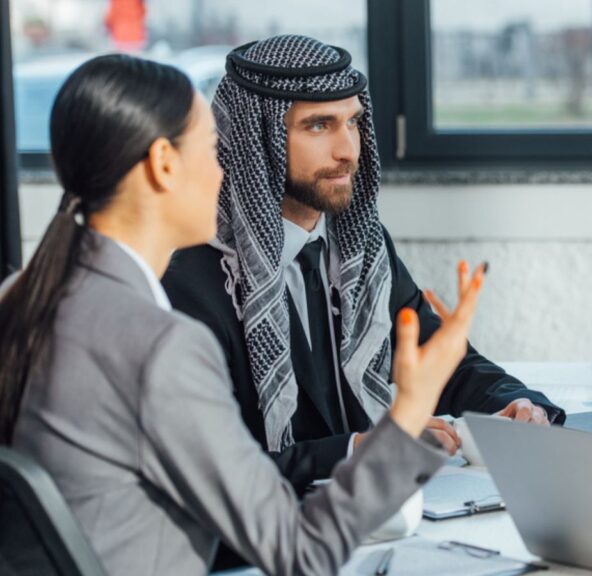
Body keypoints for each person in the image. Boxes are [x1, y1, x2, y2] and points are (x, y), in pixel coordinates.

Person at [0, 53, 485, 576]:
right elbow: (301, 553)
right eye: (215, 147)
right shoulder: (160, 346)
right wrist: (408, 414)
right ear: (163, 164)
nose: (231, 167)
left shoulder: (25, 296)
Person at [161, 36, 563, 495]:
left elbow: (439, 362)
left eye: (353, 122)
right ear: (255, 140)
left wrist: (520, 405)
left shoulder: (362, 247)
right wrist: (361, 450)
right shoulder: (192, 278)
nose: (348, 150)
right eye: (318, 126)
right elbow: (210, 468)